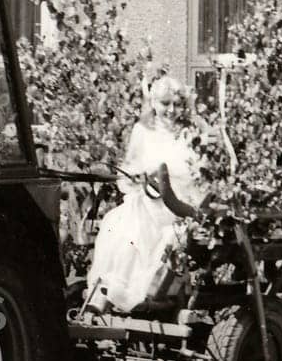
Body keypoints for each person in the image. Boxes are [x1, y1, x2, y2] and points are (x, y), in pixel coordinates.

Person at [82, 76, 200, 314]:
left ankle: (139, 296)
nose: (171, 110)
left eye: (177, 104)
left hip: (178, 205)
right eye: (165, 103)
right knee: (119, 225)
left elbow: (197, 174)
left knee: (155, 231)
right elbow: (129, 170)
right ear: (154, 103)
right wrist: (136, 180)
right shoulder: (142, 131)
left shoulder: (189, 133)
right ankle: (107, 293)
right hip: (148, 201)